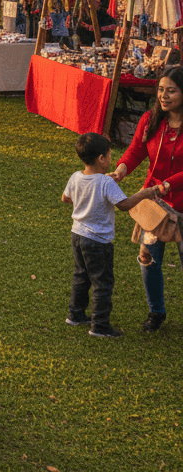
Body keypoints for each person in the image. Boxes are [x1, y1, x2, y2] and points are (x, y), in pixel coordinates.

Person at [64, 132, 161, 339]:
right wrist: (143, 193)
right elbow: (124, 205)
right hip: (98, 241)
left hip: (77, 235)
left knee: (81, 276)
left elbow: (65, 198)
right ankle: (100, 326)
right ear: (101, 159)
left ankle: (75, 315)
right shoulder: (106, 184)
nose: (111, 159)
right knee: (103, 282)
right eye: (109, 155)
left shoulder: (76, 177)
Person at [111, 65, 183, 332]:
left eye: (172, 91)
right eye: (161, 90)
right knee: (147, 257)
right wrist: (121, 170)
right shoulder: (150, 120)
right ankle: (156, 313)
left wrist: (168, 184)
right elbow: (135, 151)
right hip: (154, 204)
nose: (164, 96)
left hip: (178, 199)